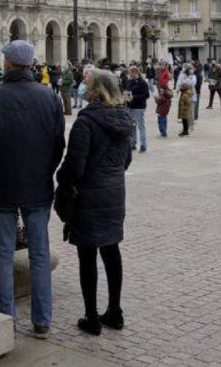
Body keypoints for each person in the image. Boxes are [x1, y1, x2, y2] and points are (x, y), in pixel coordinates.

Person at [0, 40, 65, 339]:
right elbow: (59, 144)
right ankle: (42, 320)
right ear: (31, 63)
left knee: (4, 255)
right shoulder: (49, 97)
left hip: (3, 186)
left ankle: (8, 318)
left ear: (6, 63)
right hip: (38, 186)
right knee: (40, 254)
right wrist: (45, 170)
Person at [55, 69, 132, 336]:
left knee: (87, 253)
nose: (81, 87)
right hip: (114, 192)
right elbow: (126, 161)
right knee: (111, 249)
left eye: (86, 84)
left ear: (97, 90)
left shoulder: (85, 122)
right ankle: (115, 310)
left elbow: (74, 167)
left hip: (88, 195)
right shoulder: (124, 119)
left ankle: (92, 316)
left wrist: (60, 178)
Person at [123, 66, 149, 153]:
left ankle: (143, 145)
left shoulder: (143, 83)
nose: (129, 74)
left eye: (130, 73)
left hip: (139, 107)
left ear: (135, 72)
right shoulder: (130, 81)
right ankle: (132, 143)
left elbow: (146, 95)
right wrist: (125, 96)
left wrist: (134, 97)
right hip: (130, 106)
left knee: (140, 126)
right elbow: (127, 90)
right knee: (132, 126)